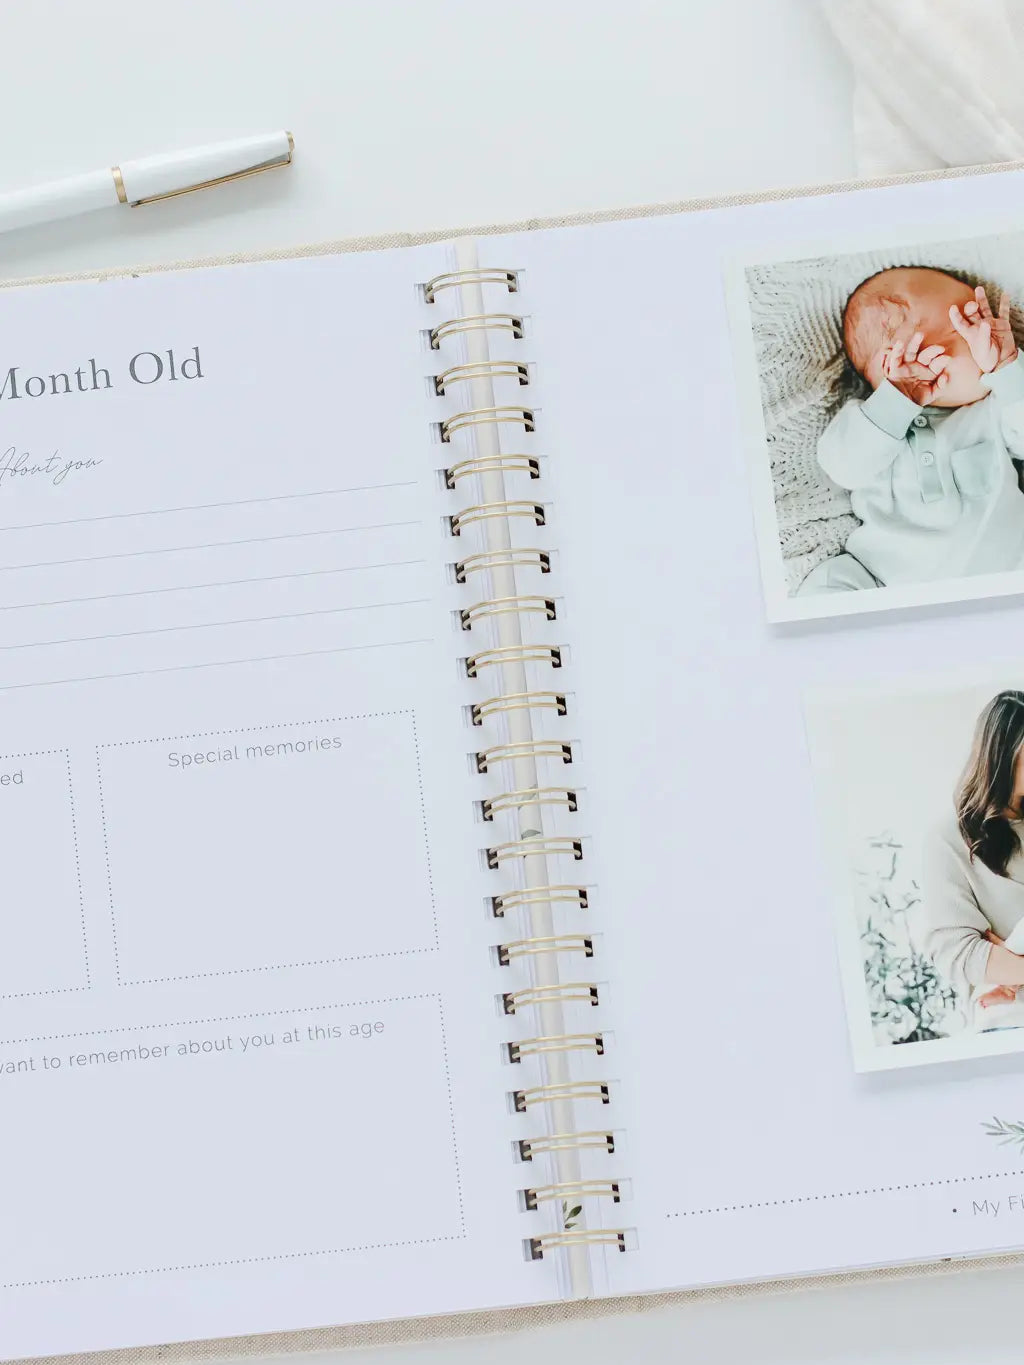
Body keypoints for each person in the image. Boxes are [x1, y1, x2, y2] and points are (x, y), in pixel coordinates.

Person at [798, 266, 1024, 595]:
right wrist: (896, 401)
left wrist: (1007, 366)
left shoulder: (990, 411)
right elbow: (843, 468)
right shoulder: (870, 422)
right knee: (829, 585)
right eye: (966, 326)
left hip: (1009, 574)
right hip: (889, 580)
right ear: (904, 355)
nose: (986, 335)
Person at [921, 690, 1024, 1029]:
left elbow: (985, 957)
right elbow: (957, 951)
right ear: (1002, 754)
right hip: (1007, 1022)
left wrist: (1005, 961)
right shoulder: (949, 839)